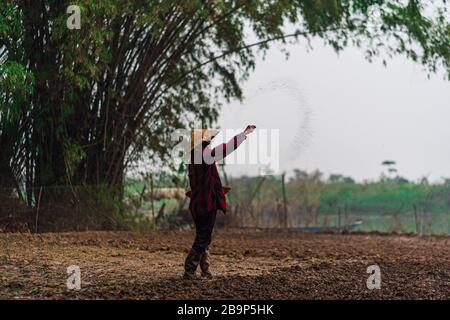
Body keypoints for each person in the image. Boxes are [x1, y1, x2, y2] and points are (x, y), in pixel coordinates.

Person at [184, 125, 256, 279]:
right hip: (206, 205)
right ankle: (189, 270)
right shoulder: (205, 156)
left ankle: (205, 270)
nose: (211, 141)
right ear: (203, 142)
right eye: (209, 139)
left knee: (204, 237)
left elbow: (201, 185)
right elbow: (226, 148)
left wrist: (219, 190)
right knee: (203, 238)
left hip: (198, 204)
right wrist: (243, 135)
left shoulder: (194, 159)